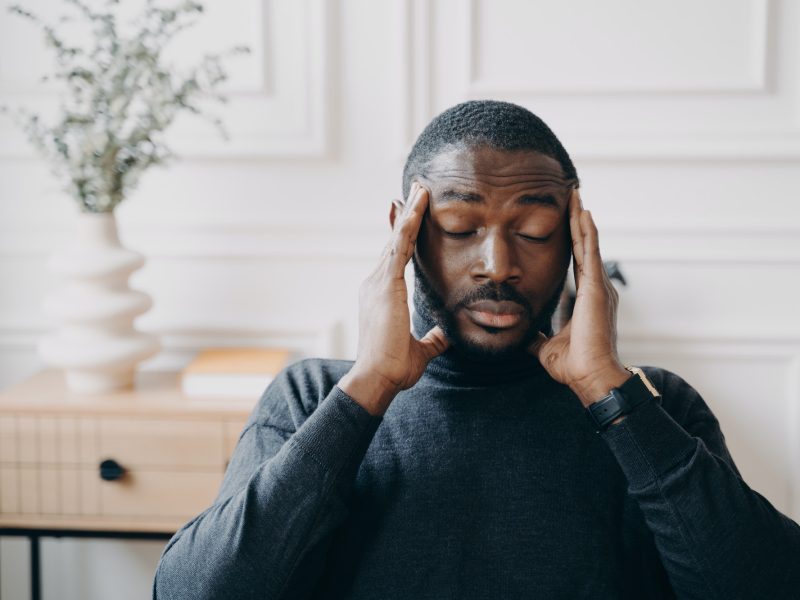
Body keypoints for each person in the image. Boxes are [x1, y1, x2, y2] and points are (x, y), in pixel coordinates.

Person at [152, 100, 800, 599]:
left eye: (536, 231)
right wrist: (369, 387)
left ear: (576, 241)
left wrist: (611, 392)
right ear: (403, 233)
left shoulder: (654, 406)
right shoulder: (314, 398)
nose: (498, 264)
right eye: (460, 227)